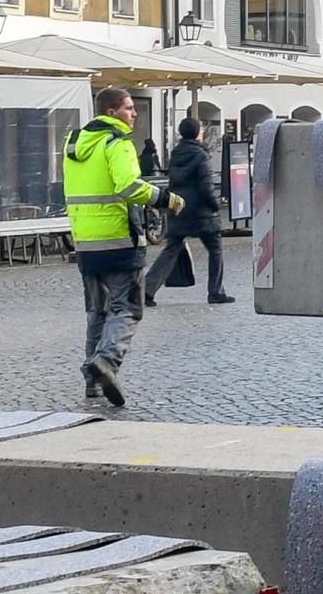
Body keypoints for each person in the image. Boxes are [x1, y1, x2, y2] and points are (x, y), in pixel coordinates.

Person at [61, 86, 182, 407]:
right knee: (127, 308)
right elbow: (128, 186)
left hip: (86, 242)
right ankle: (106, 361)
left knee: (97, 311)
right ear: (111, 112)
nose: (134, 113)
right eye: (129, 108)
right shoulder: (117, 143)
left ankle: (93, 384)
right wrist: (164, 198)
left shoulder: (74, 145)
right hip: (119, 239)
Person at [144, 117, 233, 306]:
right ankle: (215, 292)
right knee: (215, 249)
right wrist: (215, 206)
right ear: (196, 133)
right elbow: (206, 186)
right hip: (201, 212)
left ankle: (147, 290)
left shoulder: (176, 154)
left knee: (171, 250)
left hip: (178, 208)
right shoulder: (201, 155)